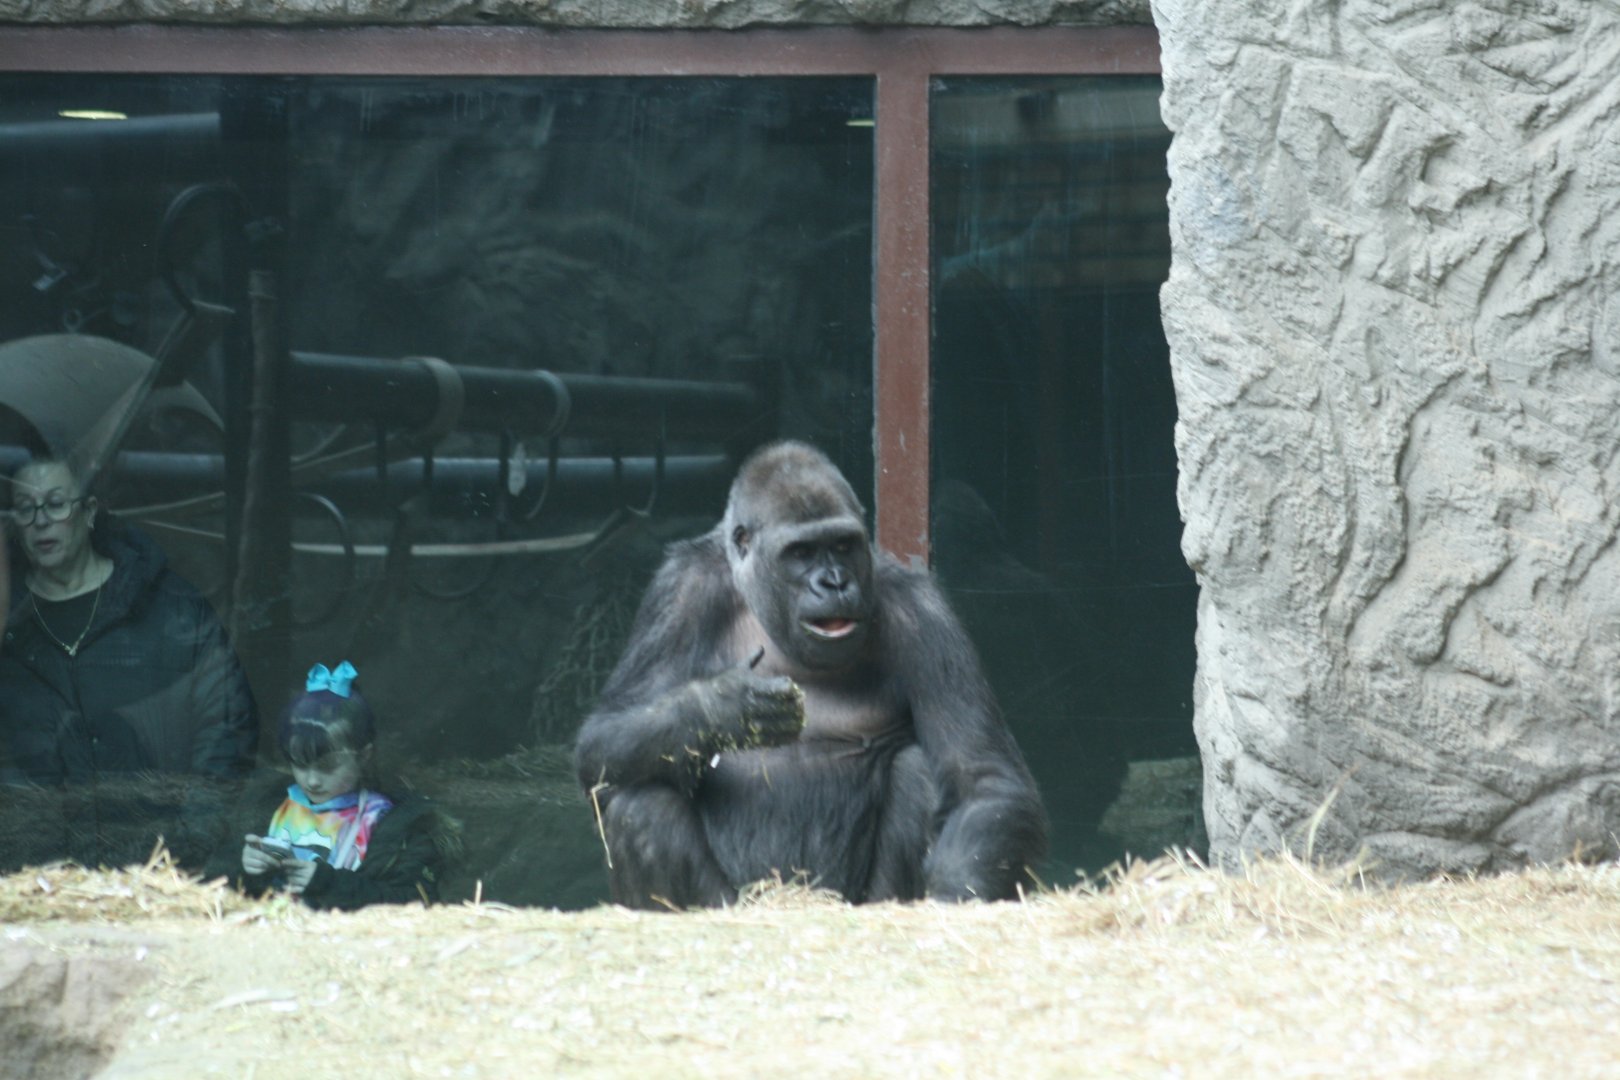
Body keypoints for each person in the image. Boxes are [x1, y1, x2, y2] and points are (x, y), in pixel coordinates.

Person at [0, 455, 257, 869]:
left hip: (163, 872)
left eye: (56, 503)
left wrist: (190, 846)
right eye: (25, 508)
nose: (40, 521)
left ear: (89, 512)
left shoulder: (169, 608)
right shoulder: (7, 621)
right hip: (37, 883)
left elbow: (226, 728)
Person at [211, 661, 457, 910]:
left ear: (364, 756)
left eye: (328, 767)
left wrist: (327, 883)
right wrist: (243, 866)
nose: (312, 780)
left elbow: (413, 902)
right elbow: (213, 876)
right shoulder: (268, 805)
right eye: (300, 764)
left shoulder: (397, 825)